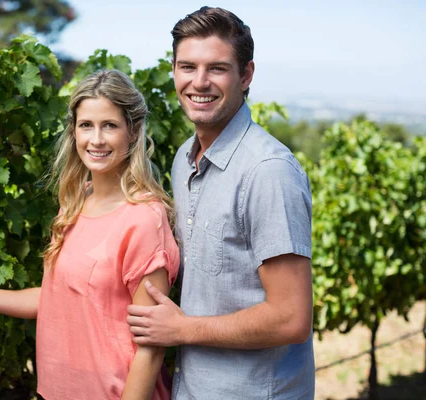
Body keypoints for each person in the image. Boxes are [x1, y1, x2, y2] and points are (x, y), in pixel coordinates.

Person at [0, 69, 180, 400]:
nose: (95, 139)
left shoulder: (143, 219)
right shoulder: (76, 203)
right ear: (74, 131)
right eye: (86, 125)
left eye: (109, 125)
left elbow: (151, 346)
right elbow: (61, 297)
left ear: (133, 131)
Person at [126, 7, 315, 400]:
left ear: (245, 75)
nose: (199, 82)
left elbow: (291, 317)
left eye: (217, 68)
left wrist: (181, 330)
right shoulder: (183, 159)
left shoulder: (267, 171)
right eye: (187, 66)